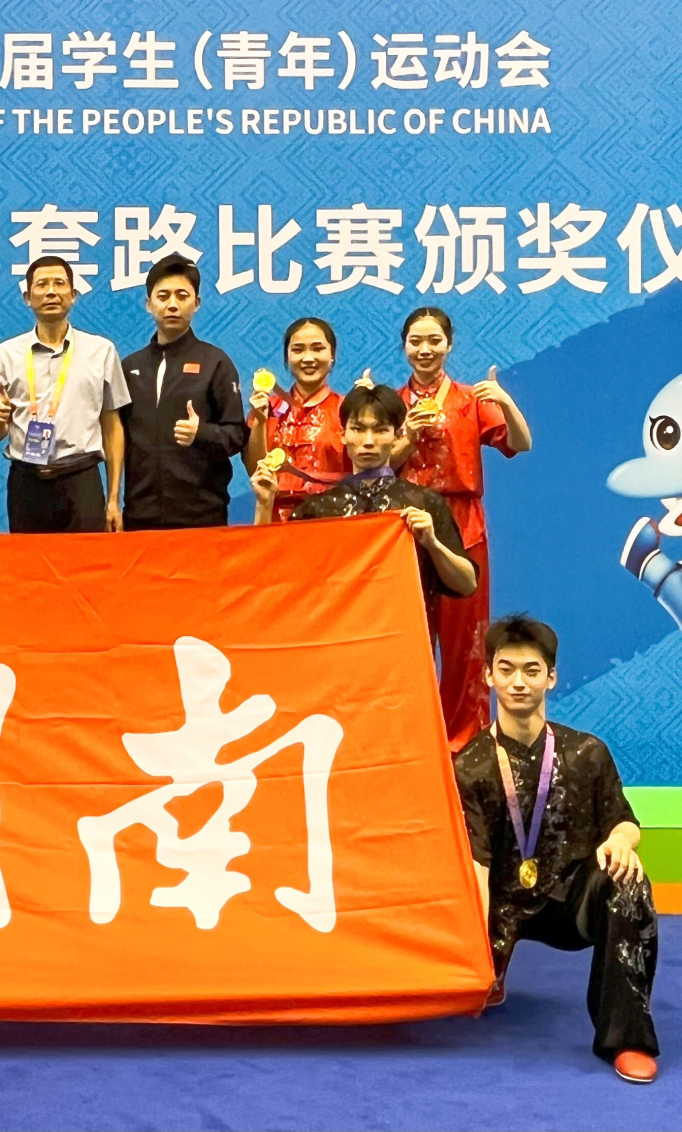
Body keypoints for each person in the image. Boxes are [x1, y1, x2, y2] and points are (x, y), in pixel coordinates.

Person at [455, 614, 660, 1084]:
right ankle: (493, 966)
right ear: (488, 675)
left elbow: (624, 821)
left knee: (629, 884)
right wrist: (473, 955)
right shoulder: (471, 766)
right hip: (502, 905)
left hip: (569, 901)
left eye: (531, 670)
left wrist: (620, 842)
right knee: (468, 994)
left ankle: (627, 1039)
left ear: (551, 677)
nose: (518, 682)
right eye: (506, 669)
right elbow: (476, 864)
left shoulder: (587, 752)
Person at [392, 306, 533, 750]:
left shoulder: (470, 399)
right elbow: (375, 464)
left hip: (463, 525)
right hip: (405, 525)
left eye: (434, 340)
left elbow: (520, 444)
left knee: (464, 646)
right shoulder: (392, 402)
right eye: (416, 341)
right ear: (404, 346)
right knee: (408, 639)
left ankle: (464, 743)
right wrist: (406, 436)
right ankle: (411, 742)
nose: (425, 349)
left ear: (449, 345)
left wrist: (505, 402)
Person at [252, 382, 476, 600]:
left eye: (380, 430)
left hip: (402, 623)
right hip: (339, 622)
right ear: (343, 435)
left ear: (398, 435)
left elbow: (467, 584)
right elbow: (271, 572)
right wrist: (264, 504)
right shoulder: (318, 510)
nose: (368, 441)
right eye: (358, 429)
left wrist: (433, 544)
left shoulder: (424, 504)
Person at [0, 256, 132, 532]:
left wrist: (113, 500)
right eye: (42, 285)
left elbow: (112, 426)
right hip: (26, 483)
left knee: (87, 559)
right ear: (27, 297)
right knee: (28, 559)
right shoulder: (5, 355)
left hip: (82, 480)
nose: (51, 291)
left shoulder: (101, 351)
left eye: (59, 284)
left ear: (73, 295)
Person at [116, 255, 247, 530]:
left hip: (201, 515)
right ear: (149, 304)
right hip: (140, 514)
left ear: (196, 303)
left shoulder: (215, 362)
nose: (172, 304)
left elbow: (237, 435)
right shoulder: (130, 367)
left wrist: (202, 433)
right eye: (163, 296)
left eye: (182, 295)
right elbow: (116, 438)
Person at [243, 317, 349, 519]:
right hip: (275, 519)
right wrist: (260, 422)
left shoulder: (347, 409)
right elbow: (254, 471)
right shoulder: (267, 408)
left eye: (317, 348)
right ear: (287, 357)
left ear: (332, 355)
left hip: (332, 519)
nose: (308, 358)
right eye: (298, 350)